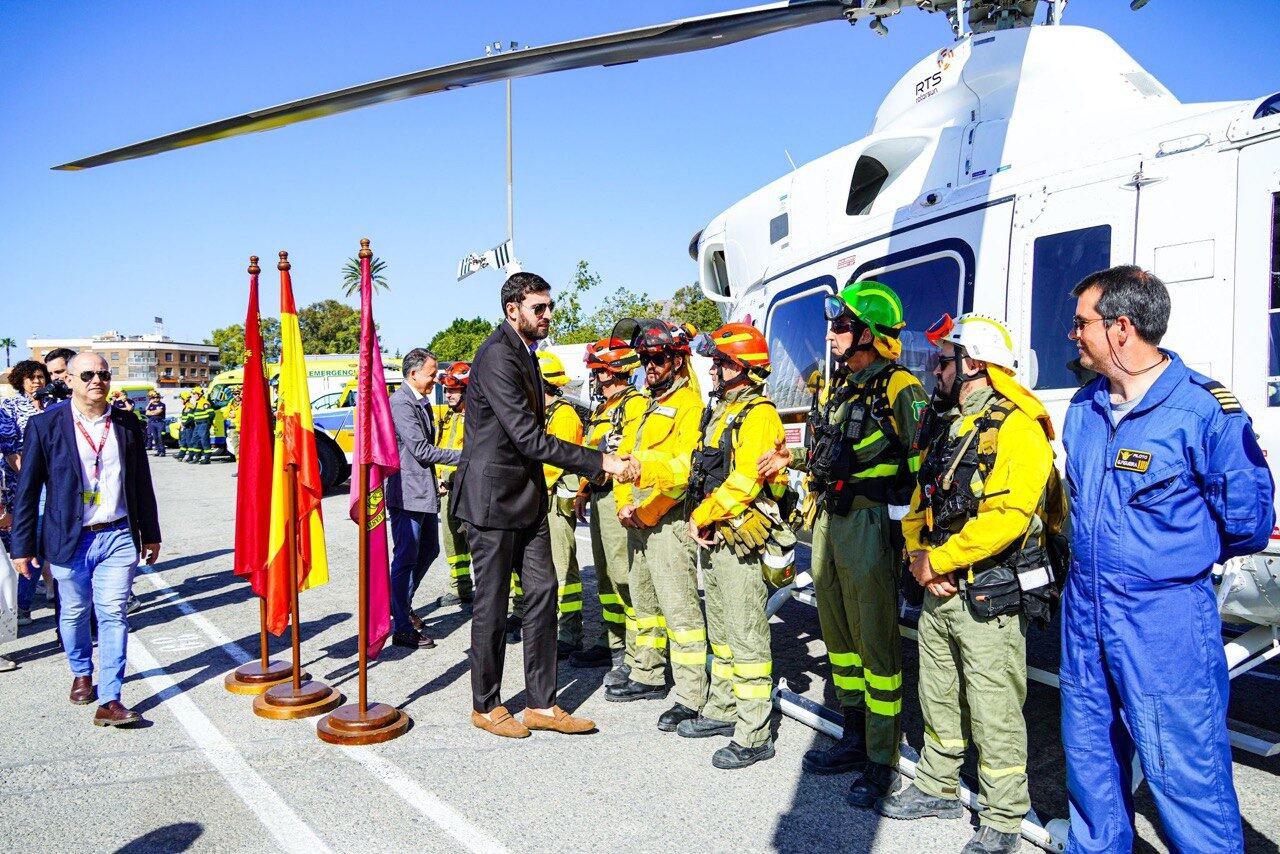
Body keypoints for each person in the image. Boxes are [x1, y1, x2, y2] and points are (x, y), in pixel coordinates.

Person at [1059, 266, 1273, 853]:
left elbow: (1248, 521)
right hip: (1085, 615)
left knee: (1185, 775)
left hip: (1164, 622)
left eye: (1082, 323)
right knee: (1091, 764)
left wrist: (1167, 562)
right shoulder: (1083, 409)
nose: (1072, 335)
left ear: (1121, 328)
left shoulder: (1205, 411)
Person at [876, 314, 1057, 854]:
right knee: (937, 688)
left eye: (943, 360)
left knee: (993, 699)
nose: (935, 370)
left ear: (973, 363)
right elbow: (922, 501)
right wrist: (918, 554)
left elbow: (1006, 516)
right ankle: (936, 782)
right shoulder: (954, 424)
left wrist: (942, 560)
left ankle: (1003, 813)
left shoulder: (1019, 428)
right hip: (943, 586)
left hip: (984, 590)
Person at [759, 280, 926, 808]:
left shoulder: (901, 388)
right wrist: (794, 461)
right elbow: (833, 456)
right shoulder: (840, 389)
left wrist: (914, 540)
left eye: (842, 326)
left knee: (876, 642)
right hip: (831, 523)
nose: (830, 335)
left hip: (871, 526)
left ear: (869, 335)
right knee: (838, 632)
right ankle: (854, 736)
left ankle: (882, 757)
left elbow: (924, 469)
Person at [451, 271, 635, 739]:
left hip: (528, 498)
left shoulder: (527, 354)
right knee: (491, 606)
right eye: (540, 307)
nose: (548, 315)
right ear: (513, 309)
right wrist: (602, 462)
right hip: (491, 503)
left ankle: (542, 703)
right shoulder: (495, 355)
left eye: (550, 306)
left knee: (543, 595)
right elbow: (529, 438)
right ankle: (486, 704)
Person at [9, 352, 161, 727]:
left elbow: (141, 481)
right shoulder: (45, 425)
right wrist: (22, 546)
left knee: (113, 613)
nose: (98, 380)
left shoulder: (126, 422)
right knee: (75, 613)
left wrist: (151, 533)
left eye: (104, 374)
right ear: (71, 381)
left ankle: (110, 698)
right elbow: (28, 490)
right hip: (69, 538)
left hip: (118, 534)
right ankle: (80, 669)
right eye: (89, 374)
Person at [684, 323, 789, 769]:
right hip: (717, 536)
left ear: (741, 369)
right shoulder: (721, 409)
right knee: (723, 629)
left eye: (721, 363)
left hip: (738, 534)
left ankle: (754, 732)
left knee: (746, 635)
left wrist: (703, 514)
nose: (712, 370)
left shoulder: (758, 413)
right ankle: (725, 707)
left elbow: (746, 480)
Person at [605, 319, 709, 734]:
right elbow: (626, 455)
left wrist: (642, 487)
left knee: (679, 609)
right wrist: (624, 505)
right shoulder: (649, 402)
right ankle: (647, 673)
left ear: (679, 360)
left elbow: (684, 469)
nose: (649, 365)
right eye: (646, 358)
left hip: (666, 521)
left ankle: (690, 694)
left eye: (658, 358)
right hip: (637, 519)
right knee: (644, 604)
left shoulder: (689, 403)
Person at [569, 337, 646, 684]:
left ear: (613, 372)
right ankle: (611, 641)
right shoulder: (603, 408)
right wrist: (584, 490)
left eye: (599, 372)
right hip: (599, 495)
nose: (595, 379)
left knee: (623, 575)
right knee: (603, 577)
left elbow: (628, 456)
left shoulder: (634, 405)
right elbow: (593, 453)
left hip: (619, 498)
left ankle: (636, 651)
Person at [385, 348, 458, 650]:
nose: (436, 380)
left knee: (428, 550)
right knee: (405, 557)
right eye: (431, 374)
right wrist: (466, 457)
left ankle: (401, 604)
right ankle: (401, 626)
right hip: (406, 494)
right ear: (414, 374)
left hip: (422, 491)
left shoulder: (421, 402)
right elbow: (422, 451)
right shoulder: (401, 403)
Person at [536, 350, 587, 655]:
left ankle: (570, 632)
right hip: (543, 499)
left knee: (563, 566)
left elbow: (556, 462)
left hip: (556, 500)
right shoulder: (544, 413)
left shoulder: (564, 415)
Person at [0, 359, 50, 627]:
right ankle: (23, 605)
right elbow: (10, 450)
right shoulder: (9, 407)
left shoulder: (55, 405)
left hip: (57, 481)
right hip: (25, 483)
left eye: (40, 376)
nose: (36, 381)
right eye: (30, 377)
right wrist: (31, 477)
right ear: (20, 380)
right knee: (35, 539)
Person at [435, 361, 473, 606]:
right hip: (448, 489)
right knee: (452, 542)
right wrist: (438, 477)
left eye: (454, 390)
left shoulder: (477, 418)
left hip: (470, 492)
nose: (448, 395)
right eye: (446, 390)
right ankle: (460, 588)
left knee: (480, 545)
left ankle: (505, 600)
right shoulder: (449, 415)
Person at [189, 387, 215, 464]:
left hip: (203, 424)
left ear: (199, 394)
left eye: (194, 394)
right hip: (197, 425)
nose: (193, 395)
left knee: (204, 441)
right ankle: (197, 457)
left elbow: (211, 414)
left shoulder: (204, 402)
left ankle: (207, 458)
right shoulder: (197, 403)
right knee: (195, 441)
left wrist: (208, 423)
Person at [144, 390, 166, 456]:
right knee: (155, 437)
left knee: (160, 437)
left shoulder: (162, 404)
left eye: (157, 397)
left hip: (160, 423)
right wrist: (149, 403)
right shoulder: (151, 405)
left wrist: (151, 412)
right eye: (154, 397)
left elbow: (158, 412)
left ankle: (162, 451)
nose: (156, 399)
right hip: (152, 423)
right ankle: (158, 451)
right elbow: (146, 412)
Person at [175, 390, 193, 461]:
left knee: (189, 443)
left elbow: (191, 418)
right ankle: (181, 455)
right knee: (184, 442)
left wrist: (184, 425)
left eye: (181, 399)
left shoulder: (190, 407)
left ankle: (191, 457)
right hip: (185, 427)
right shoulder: (186, 407)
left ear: (185, 399)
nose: (181, 401)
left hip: (189, 428)